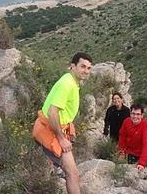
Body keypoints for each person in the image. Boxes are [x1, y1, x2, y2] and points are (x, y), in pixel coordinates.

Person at [32, 52, 93, 194]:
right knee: (73, 173)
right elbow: (53, 112)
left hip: (54, 129)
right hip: (50, 132)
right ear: (72, 66)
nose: (86, 71)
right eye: (83, 66)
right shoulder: (67, 84)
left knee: (70, 173)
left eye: (89, 68)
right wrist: (61, 138)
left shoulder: (72, 82)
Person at [118, 103, 147, 171]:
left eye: (138, 114)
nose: (135, 116)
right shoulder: (126, 121)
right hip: (129, 152)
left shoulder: (146, 126)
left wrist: (142, 163)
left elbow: (146, 144)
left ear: (142, 115)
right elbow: (122, 137)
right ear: (130, 114)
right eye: (133, 113)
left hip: (140, 154)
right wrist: (121, 152)